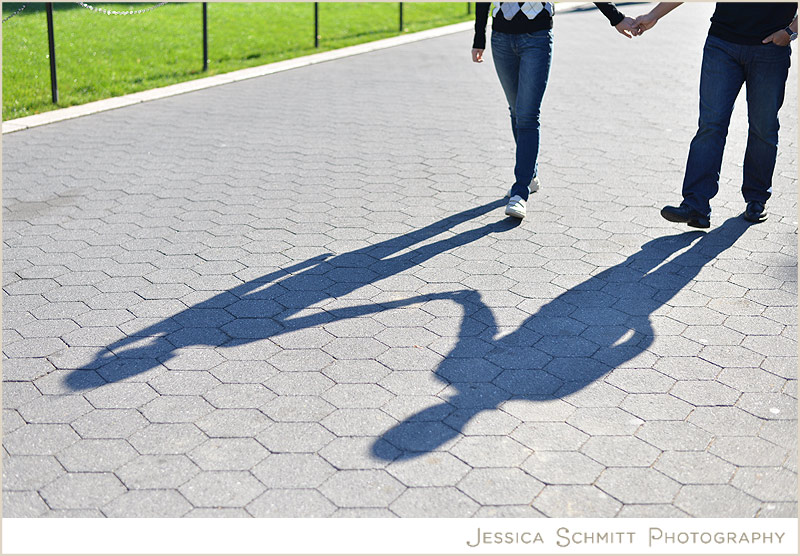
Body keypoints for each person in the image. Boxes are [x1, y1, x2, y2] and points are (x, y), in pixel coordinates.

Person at [634, 2, 798, 227]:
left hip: (770, 49)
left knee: (764, 126)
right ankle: (696, 205)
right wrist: (654, 15)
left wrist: (791, 31)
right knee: (711, 125)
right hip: (722, 43)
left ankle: (757, 198)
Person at [472, 2, 638, 219]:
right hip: (501, 38)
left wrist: (615, 17)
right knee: (516, 111)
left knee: (527, 116)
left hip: (537, 37)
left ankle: (520, 192)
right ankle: (530, 177)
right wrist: (479, 37)